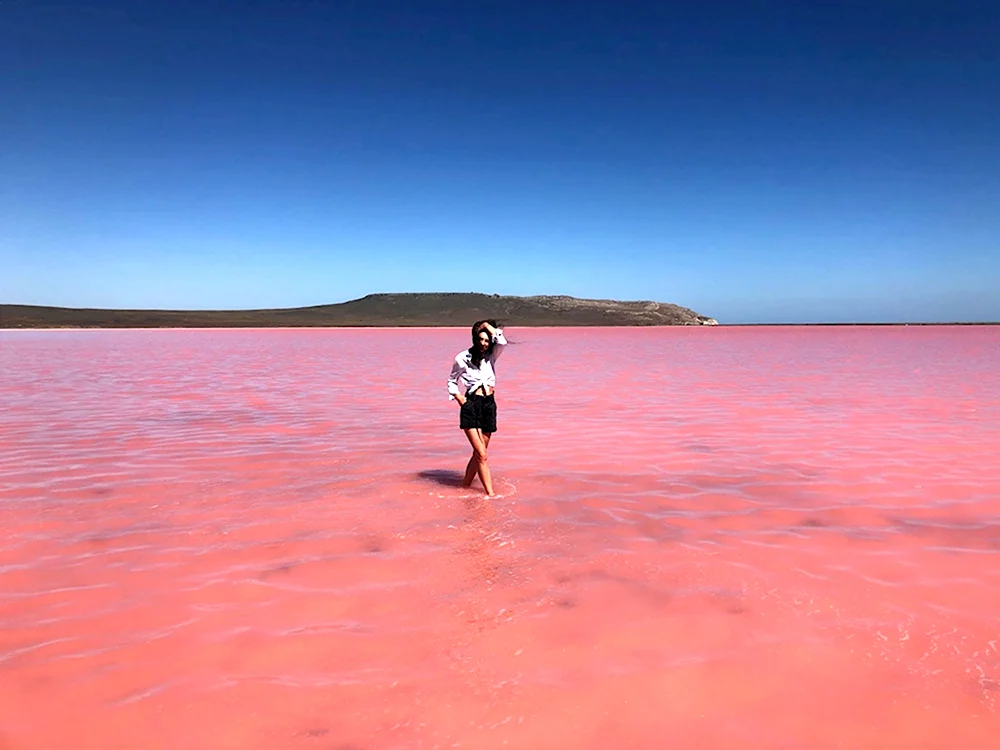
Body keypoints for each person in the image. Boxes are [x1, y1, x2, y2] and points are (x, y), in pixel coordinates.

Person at [447, 319, 507, 497]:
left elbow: (501, 340)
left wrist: (487, 327)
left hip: (489, 404)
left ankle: (464, 487)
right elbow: (451, 380)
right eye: (480, 339)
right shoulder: (462, 358)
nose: (483, 343)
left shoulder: (492, 355)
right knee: (482, 454)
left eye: (487, 340)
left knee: (479, 454)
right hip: (471, 405)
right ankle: (490, 495)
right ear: (474, 339)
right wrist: (459, 398)